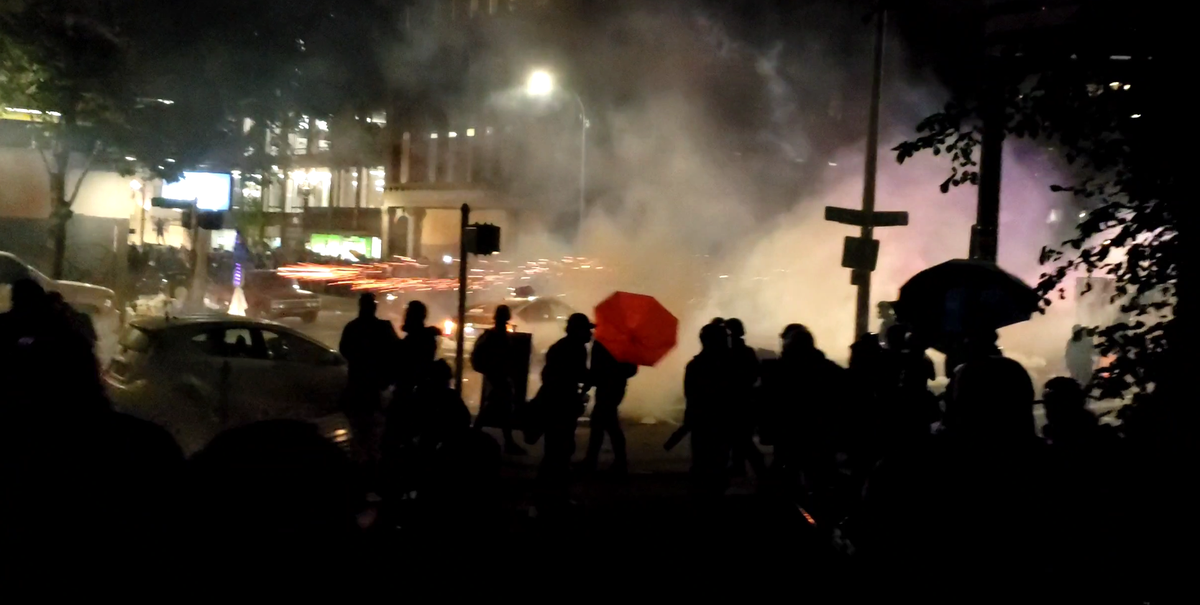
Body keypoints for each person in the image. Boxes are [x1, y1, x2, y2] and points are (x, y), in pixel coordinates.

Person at [533, 313, 593, 514]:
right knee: (560, 451)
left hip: (555, 403)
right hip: (561, 406)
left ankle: (545, 494)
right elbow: (574, 374)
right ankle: (555, 496)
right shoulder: (575, 349)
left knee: (555, 450)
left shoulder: (561, 346)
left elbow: (550, 375)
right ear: (578, 330)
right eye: (587, 330)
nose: (590, 334)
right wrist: (591, 377)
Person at [674, 322, 734, 499]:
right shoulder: (729, 365)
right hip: (721, 420)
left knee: (702, 459)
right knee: (719, 460)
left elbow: (690, 395)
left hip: (702, 420)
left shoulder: (695, 365)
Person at [339, 293, 399, 465]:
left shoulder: (353, 327)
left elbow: (345, 350)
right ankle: (372, 461)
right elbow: (396, 351)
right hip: (374, 384)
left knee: (360, 428)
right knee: (374, 427)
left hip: (359, 383)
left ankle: (362, 461)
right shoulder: (383, 328)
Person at [471, 305, 526, 455]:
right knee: (500, 408)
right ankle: (506, 442)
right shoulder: (499, 335)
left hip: (495, 375)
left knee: (498, 408)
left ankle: (477, 434)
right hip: (498, 375)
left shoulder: (492, 334)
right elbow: (503, 357)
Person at [581, 339, 637, 475]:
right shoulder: (625, 344)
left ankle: (595, 461)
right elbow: (631, 369)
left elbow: (595, 369)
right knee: (607, 424)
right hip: (616, 387)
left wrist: (589, 383)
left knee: (603, 424)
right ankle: (615, 461)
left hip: (607, 388)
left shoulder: (601, 343)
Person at [725, 318, 764, 477]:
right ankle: (739, 466)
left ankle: (758, 469)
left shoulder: (728, 354)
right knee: (740, 438)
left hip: (736, 401)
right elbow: (755, 375)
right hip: (745, 400)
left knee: (740, 439)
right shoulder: (747, 352)